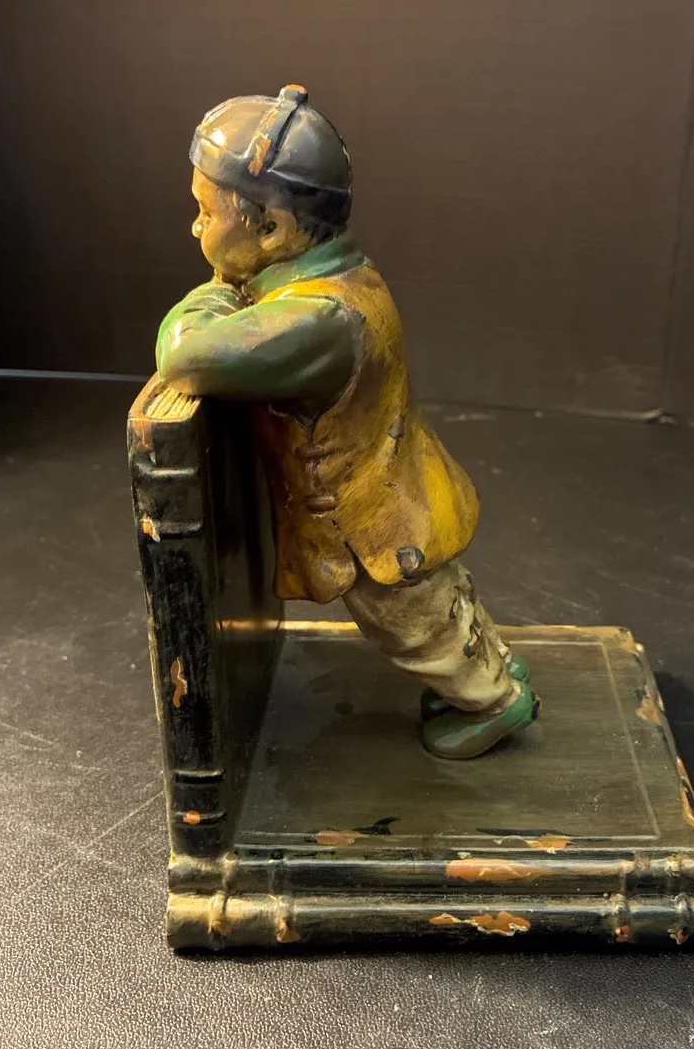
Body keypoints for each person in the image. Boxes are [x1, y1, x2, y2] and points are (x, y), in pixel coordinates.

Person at [156, 84, 539, 759]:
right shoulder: (334, 279)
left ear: (272, 230)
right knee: (441, 603)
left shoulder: (317, 320)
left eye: (205, 212)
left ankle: (496, 702)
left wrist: (214, 294)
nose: (194, 228)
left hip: (373, 528)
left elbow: (187, 357)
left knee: (412, 627)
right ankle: (495, 667)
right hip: (400, 498)